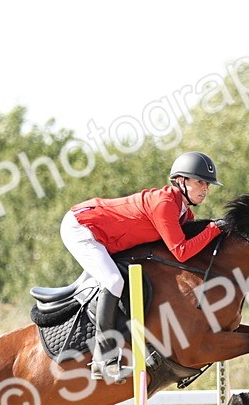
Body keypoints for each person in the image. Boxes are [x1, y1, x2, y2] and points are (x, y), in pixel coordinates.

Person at [60, 151, 224, 383]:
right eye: (200, 181)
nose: (205, 188)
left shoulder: (184, 212)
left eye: (207, 183)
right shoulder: (165, 203)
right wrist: (214, 229)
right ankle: (103, 358)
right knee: (113, 281)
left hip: (104, 236)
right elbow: (182, 251)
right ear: (181, 181)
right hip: (82, 227)